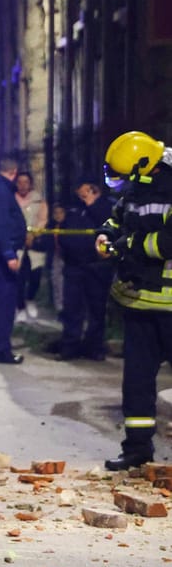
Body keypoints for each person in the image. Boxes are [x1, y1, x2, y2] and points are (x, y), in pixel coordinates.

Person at [96, 132, 172, 470]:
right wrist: (107, 235)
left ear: (146, 166)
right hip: (138, 302)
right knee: (137, 382)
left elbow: (166, 243)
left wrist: (129, 244)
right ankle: (137, 449)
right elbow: (117, 218)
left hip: (169, 305)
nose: (122, 183)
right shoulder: (136, 188)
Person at [52, 180, 116, 361]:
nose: (81, 194)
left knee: (96, 310)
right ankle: (70, 346)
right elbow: (65, 230)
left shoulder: (106, 206)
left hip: (96, 266)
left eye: (84, 191)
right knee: (72, 309)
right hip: (74, 266)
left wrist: (92, 205)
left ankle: (94, 347)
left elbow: (108, 226)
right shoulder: (73, 208)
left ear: (93, 189)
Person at [0, 158, 28, 364]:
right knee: (4, 305)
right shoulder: (1, 192)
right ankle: (1, 350)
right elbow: (1, 225)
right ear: (14, 172)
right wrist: (9, 255)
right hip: (1, 258)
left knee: (0, 304)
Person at [15, 171, 49, 321]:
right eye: (20, 182)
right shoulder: (11, 199)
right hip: (17, 244)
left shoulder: (38, 200)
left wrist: (33, 234)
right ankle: (20, 307)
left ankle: (30, 299)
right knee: (19, 278)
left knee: (35, 275)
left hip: (35, 244)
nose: (22, 185)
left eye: (25, 182)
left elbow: (43, 219)